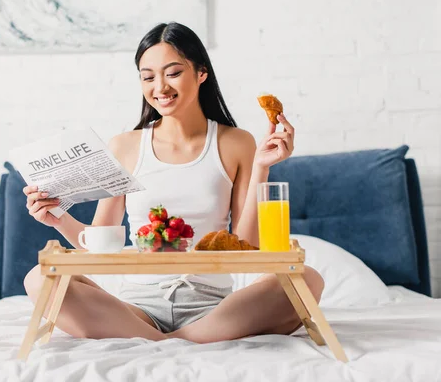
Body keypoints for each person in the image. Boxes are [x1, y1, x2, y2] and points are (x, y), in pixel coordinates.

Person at [22, 22, 324, 343]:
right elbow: (100, 243)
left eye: (173, 73)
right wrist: (58, 220)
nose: (160, 87)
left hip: (214, 305)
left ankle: (159, 339)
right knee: (39, 278)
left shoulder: (236, 142)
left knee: (308, 279)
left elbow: (247, 245)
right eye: (148, 77)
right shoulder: (124, 146)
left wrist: (262, 167)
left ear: (201, 73)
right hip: (138, 307)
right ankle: (181, 340)